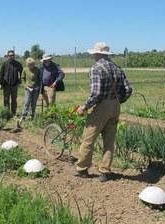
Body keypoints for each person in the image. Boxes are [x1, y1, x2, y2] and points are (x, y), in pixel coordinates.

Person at [71, 42, 133, 182]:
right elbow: (128, 90)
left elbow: (96, 93)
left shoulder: (96, 68)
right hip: (115, 106)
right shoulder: (117, 68)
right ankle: (105, 172)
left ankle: (82, 169)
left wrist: (84, 107)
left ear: (97, 54)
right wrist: (118, 101)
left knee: (88, 138)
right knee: (109, 141)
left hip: (102, 107)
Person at [0, 50, 23, 116]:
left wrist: (19, 82)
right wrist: (0, 83)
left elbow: (21, 74)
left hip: (15, 85)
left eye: (13, 55)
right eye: (10, 55)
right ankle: (6, 113)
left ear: (14, 56)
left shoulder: (18, 64)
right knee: (6, 99)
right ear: (7, 56)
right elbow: (1, 74)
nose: (12, 56)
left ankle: (13, 113)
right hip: (6, 85)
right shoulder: (4, 64)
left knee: (14, 100)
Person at [18, 57, 41, 127]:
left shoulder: (37, 69)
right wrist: (26, 87)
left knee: (34, 103)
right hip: (28, 89)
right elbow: (22, 79)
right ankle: (23, 116)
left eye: (32, 65)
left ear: (34, 64)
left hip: (35, 89)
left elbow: (39, 79)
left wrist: (37, 87)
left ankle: (32, 115)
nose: (31, 66)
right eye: (29, 65)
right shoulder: (25, 69)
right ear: (27, 64)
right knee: (27, 102)